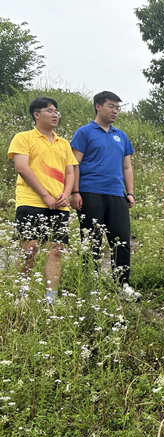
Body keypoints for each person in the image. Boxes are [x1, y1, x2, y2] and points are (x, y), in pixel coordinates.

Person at [7, 96, 78, 303]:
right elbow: (22, 167)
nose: (55, 114)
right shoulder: (23, 137)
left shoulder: (63, 143)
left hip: (59, 204)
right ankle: (20, 293)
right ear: (36, 115)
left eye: (57, 111)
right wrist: (45, 195)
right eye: (50, 111)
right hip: (31, 201)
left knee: (56, 250)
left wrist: (66, 193)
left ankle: (50, 297)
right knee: (30, 247)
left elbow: (70, 172)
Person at [70, 91, 137, 294]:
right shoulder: (84, 132)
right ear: (98, 106)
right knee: (92, 239)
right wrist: (75, 191)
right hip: (90, 192)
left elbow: (127, 167)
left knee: (122, 239)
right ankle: (91, 286)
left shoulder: (121, 135)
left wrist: (130, 192)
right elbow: (74, 163)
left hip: (117, 194)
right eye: (111, 106)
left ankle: (122, 284)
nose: (115, 111)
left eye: (117, 107)